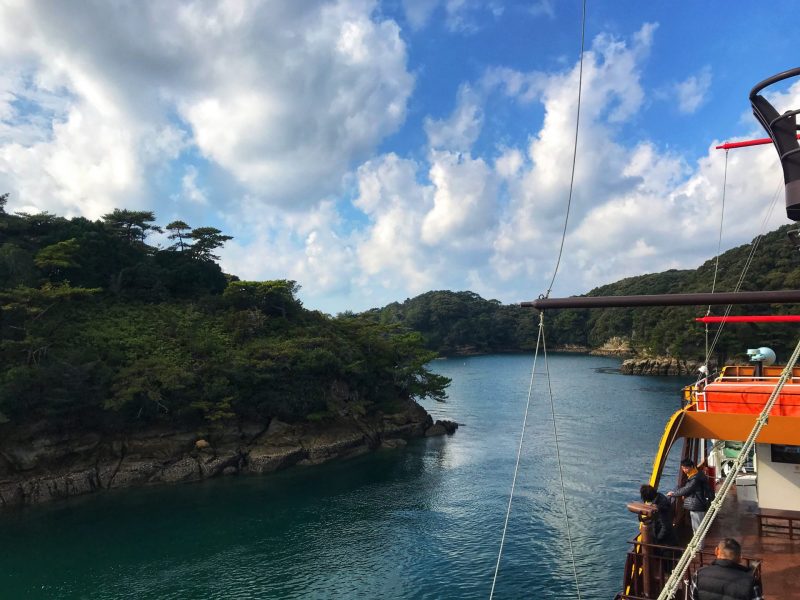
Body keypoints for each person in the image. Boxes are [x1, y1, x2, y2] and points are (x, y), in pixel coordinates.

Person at [690, 538, 763, 600]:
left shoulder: (698, 575)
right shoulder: (751, 582)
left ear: (716, 551)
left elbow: (693, 597)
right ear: (740, 558)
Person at [667, 458, 710, 533]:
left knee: (698, 530)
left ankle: (699, 545)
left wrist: (673, 494)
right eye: (683, 468)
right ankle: (698, 544)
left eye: (686, 468)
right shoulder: (697, 474)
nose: (684, 470)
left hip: (697, 506)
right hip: (699, 504)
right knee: (698, 528)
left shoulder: (695, 479)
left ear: (691, 467)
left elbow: (687, 489)